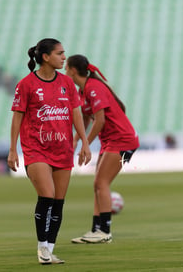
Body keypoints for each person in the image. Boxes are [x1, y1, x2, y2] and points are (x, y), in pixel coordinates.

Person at [7, 38, 91, 265]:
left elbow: (76, 114)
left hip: (62, 149)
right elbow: (17, 117)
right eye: (60, 53)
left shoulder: (66, 83)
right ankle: (42, 247)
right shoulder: (26, 85)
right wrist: (13, 149)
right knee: (47, 195)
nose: (64, 57)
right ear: (45, 57)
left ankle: (50, 249)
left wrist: (84, 142)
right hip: (36, 150)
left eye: (64, 53)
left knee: (59, 201)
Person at [65, 54, 140, 244]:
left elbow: (100, 120)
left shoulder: (93, 88)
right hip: (112, 140)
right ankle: (95, 230)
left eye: (66, 69)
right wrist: (76, 139)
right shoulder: (84, 91)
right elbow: (87, 118)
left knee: (101, 183)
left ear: (73, 71)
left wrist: (85, 144)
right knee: (98, 184)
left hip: (122, 140)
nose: (65, 73)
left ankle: (104, 231)